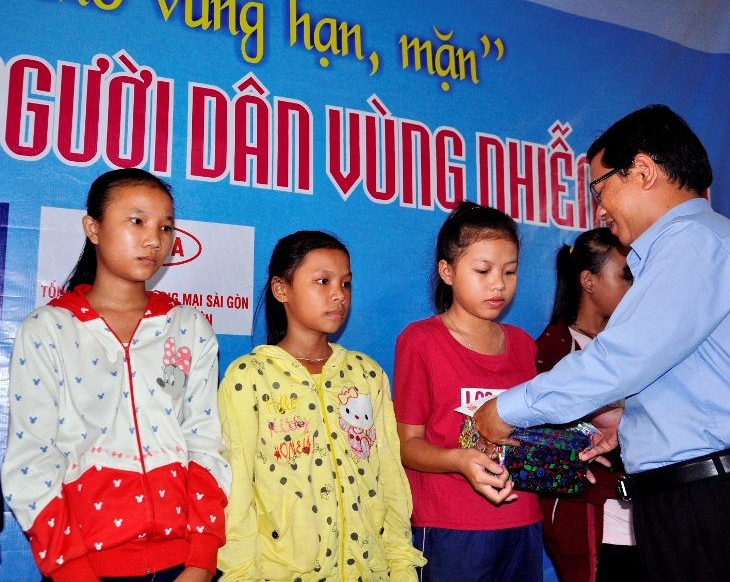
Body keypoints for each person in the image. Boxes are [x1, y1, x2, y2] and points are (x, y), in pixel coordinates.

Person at [474, 105, 730, 581]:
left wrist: (506, 410)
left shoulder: (696, 242)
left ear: (643, 171)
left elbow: (620, 360)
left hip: (716, 506)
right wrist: (635, 425)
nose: (598, 209)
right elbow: (690, 372)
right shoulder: (691, 246)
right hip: (691, 502)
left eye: (599, 188)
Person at [1, 168, 231, 582]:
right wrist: (72, 570)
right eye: (137, 221)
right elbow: (32, 459)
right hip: (83, 569)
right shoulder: (49, 329)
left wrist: (201, 560)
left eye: (165, 226)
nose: (154, 239)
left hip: (184, 566)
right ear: (93, 228)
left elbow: (203, 441)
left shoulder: (189, 327)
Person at [217, 231, 423, 582]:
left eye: (346, 283)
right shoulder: (249, 377)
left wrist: (402, 566)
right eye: (323, 281)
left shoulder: (366, 374)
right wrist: (241, 575)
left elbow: (389, 475)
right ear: (281, 289)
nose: (338, 294)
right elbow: (236, 492)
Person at [393, 201, 543, 582]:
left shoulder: (524, 344)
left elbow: (529, 435)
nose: (499, 284)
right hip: (451, 526)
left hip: (523, 521)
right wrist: (460, 460)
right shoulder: (421, 341)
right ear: (447, 271)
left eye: (510, 271)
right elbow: (407, 445)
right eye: (483, 270)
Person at [535, 228, 642, 582]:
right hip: (595, 522)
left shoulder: (641, 345)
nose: (634, 286)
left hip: (651, 516)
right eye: (625, 276)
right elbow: (542, 443)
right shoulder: (553, 349)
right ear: (588, 281)